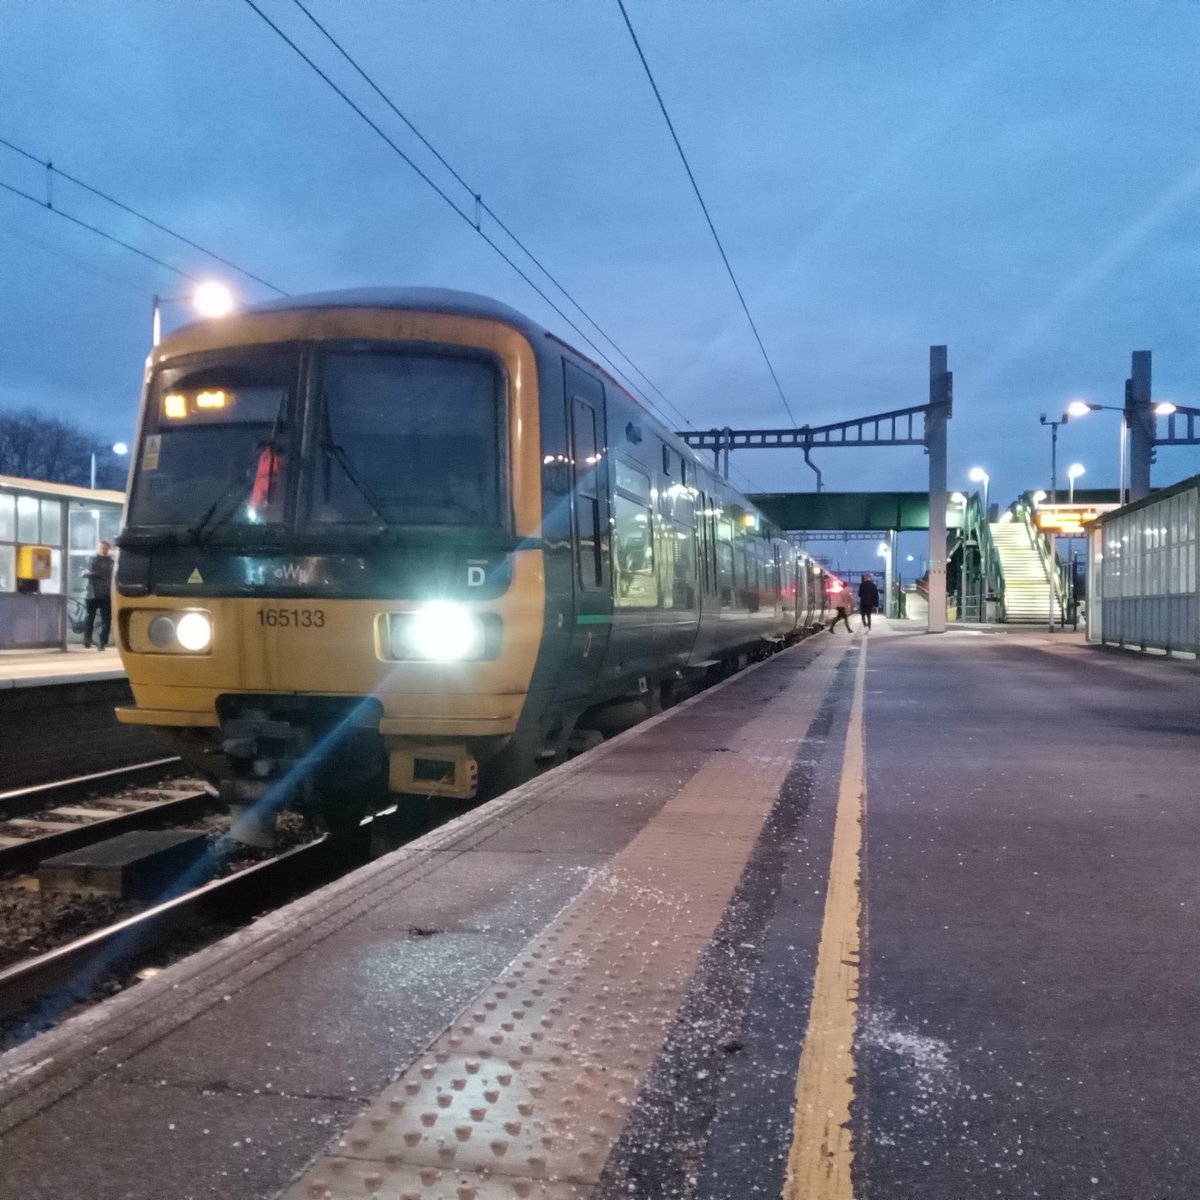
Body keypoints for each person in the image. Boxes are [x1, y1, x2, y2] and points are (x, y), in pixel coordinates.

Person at [83, 539, 115, 650]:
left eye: (105, 548)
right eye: (102, 548)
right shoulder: (92, 560)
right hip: (93, 593)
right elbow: (83, 572)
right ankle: (88, 639)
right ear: (98, 548)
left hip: (105, 594)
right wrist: (88, 573)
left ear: (108, 549)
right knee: (90, 617)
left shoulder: (111, 562)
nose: (104, 550)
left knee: (105, 619)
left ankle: (102, 642)